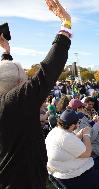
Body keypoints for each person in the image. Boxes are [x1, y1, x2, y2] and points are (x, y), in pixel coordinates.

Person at [0, 0, 72, 188]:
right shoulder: (14, 104)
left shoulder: (8, 103)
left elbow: (5, 77)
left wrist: (6, 55)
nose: (27, 82)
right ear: (18, 85)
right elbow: (48, 70)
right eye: (25, 80)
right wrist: (66, 24)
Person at [45, 109, 99, 189]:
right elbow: (87, 153)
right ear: (73, 125)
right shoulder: (66, 137)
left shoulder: (54, 131)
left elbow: (66, 145)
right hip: (69, 176)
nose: (78, 124)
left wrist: (78, 135)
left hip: (58, 170)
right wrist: (86, 135)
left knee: (96, 164)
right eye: (78, 122)